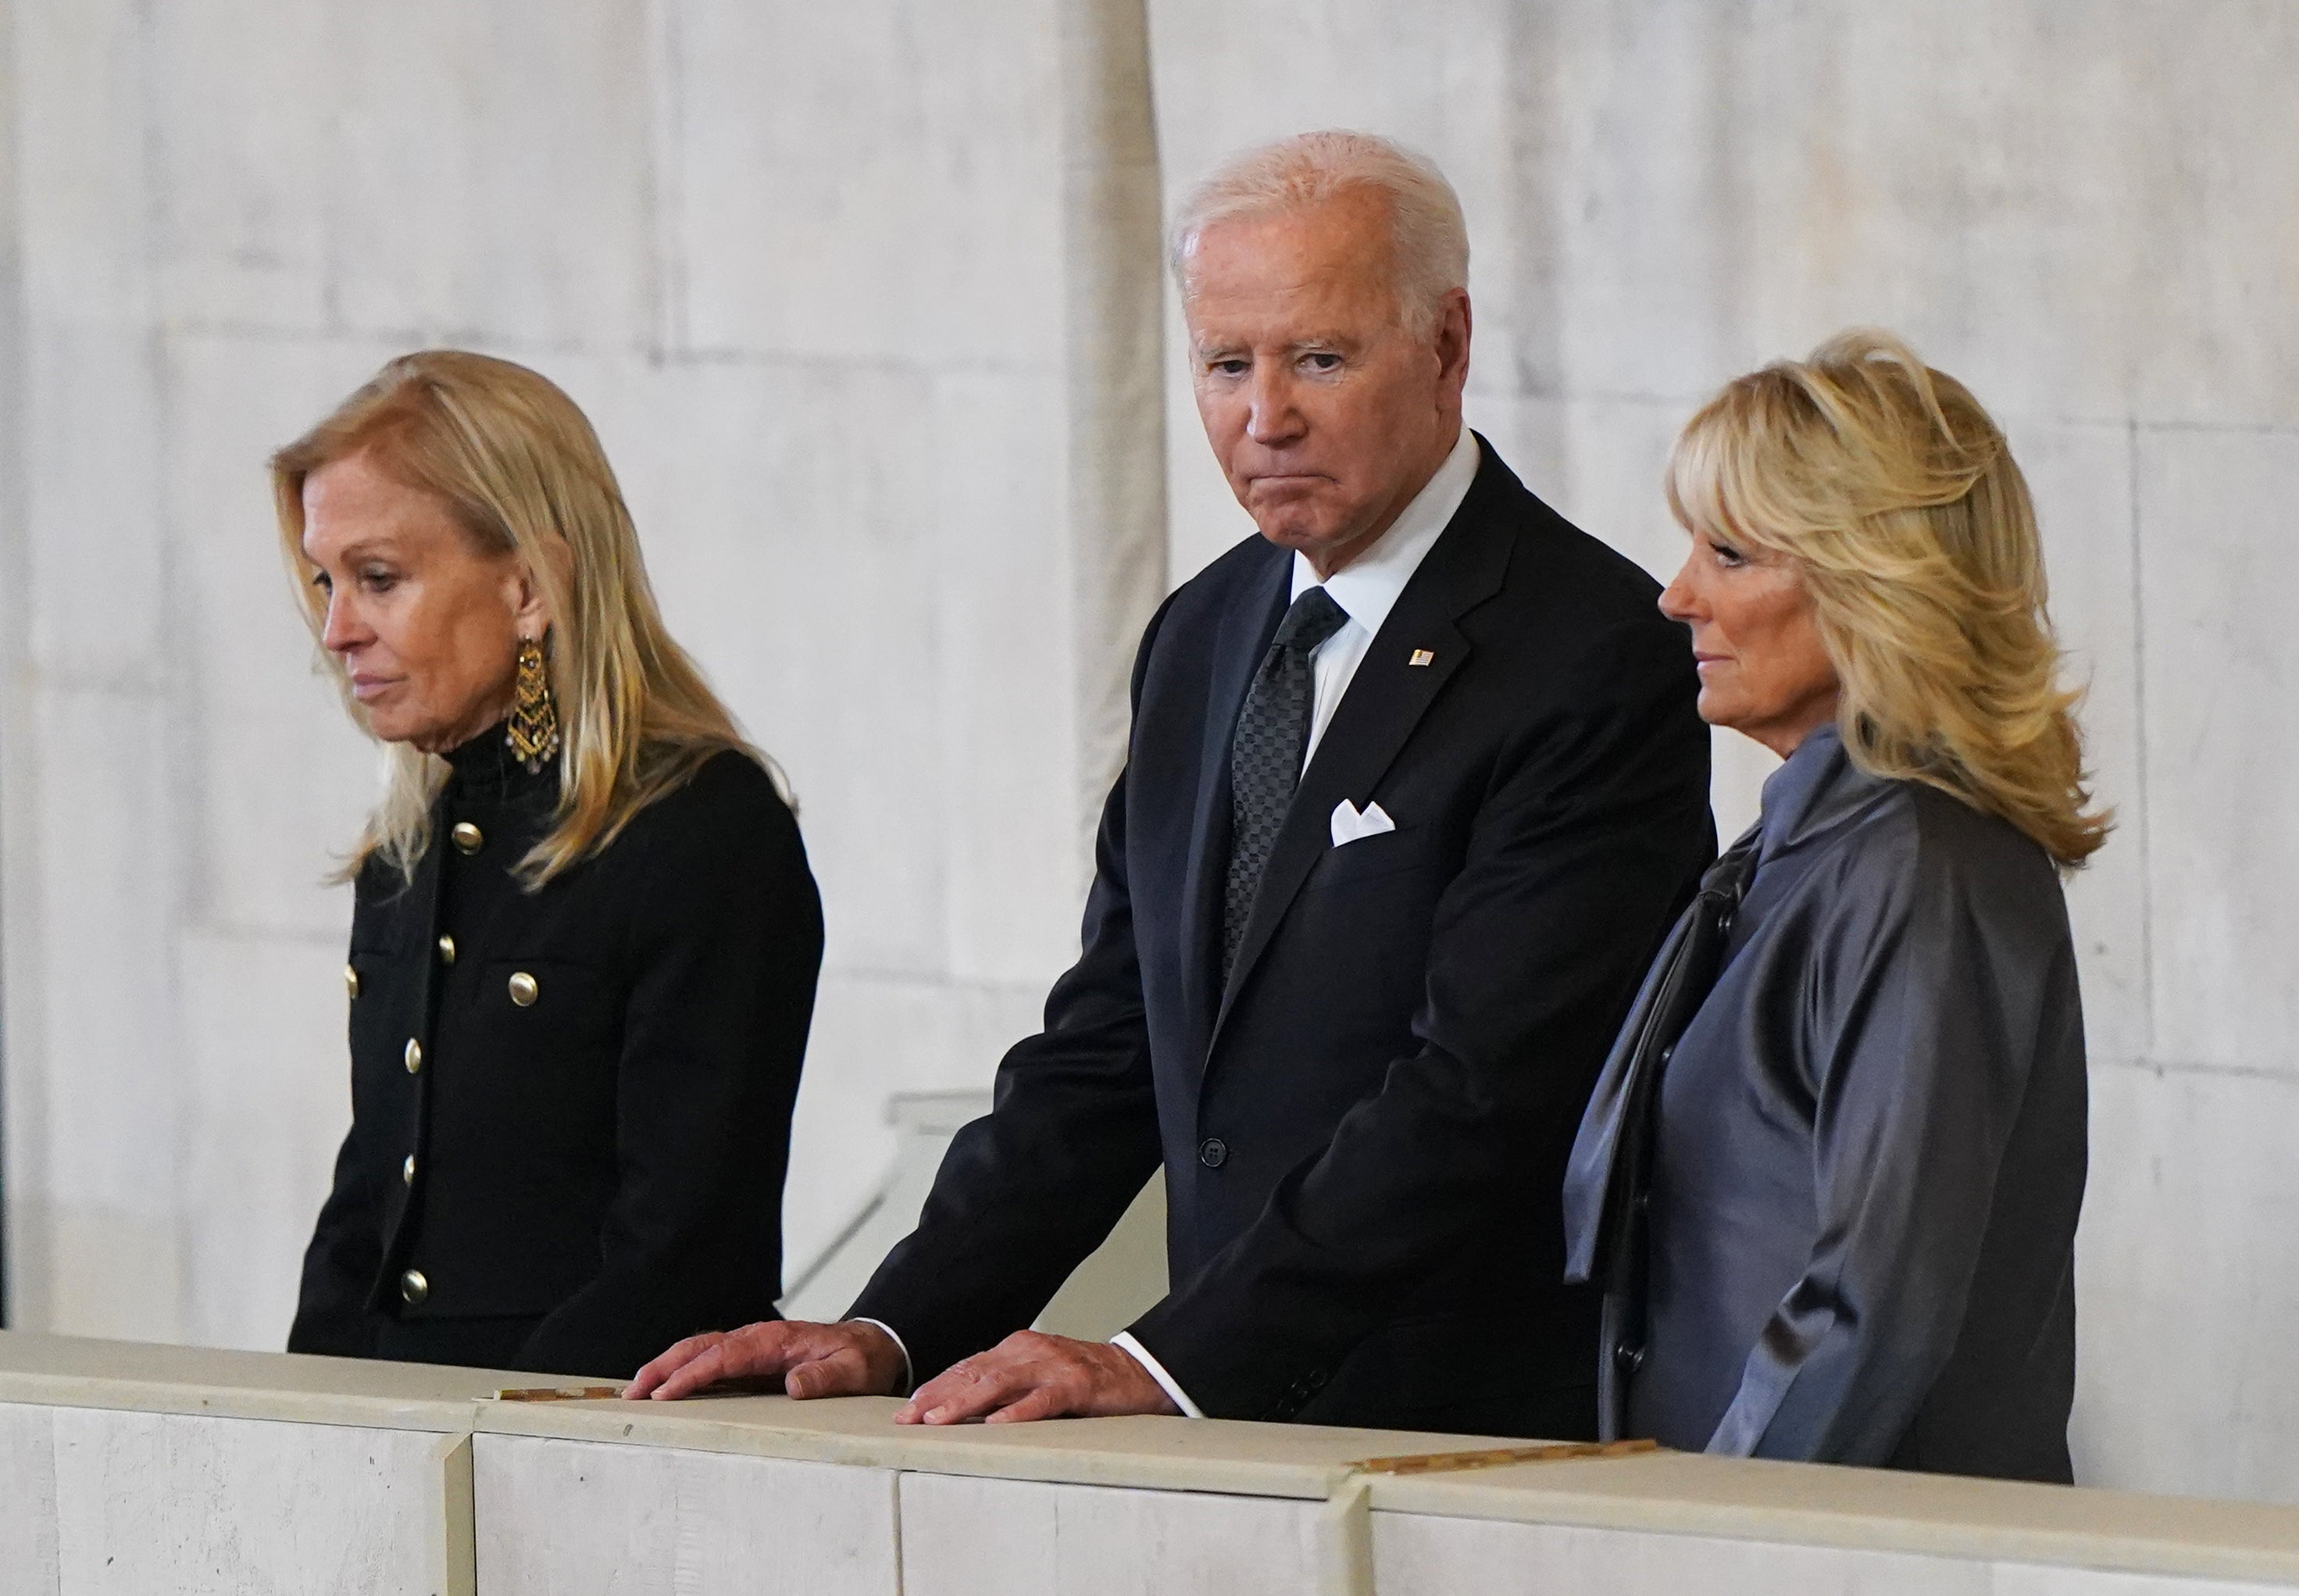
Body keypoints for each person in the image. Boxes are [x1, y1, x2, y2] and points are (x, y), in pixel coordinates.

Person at [630, 131, 1712, 1437]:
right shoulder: (1200, 638)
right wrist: (893, 1328)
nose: (1267, 417)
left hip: (1473, 1442)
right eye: (1224, 364)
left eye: (1319, 357)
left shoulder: (1590, 652)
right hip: (1229, 1439)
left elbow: (1480, 1096)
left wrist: (1165, 1364)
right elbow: (1110, 1044)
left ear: (1446, 345)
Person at [1562, 330, 2105, 1479]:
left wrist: (1707, 1546)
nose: (1677, 596)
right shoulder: (1814, 848)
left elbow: (1874, 1300)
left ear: (1873, 583)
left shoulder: (1918, 869)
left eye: (1730, 553)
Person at [281, 351, 822, 1378]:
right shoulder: (408, 852)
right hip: (406, 1442)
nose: (337, 629)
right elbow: (369, 1213)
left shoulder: (703, 830)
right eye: (326, 581)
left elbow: (687, 1254)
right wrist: (305, 1422)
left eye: (379, 579)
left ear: (529, 586)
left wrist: (497, 1442)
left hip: (591, 1443)